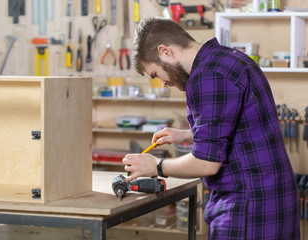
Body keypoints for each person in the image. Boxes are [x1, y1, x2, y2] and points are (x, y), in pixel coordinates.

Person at [123, 17, 300, 239]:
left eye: (156, 74)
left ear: (165, 51)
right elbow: (239, 123)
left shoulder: (207, 76)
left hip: (246, 208)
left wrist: (157, 166)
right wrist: (188, 133)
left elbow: (206, 164)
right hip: (275, 198)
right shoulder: (231, 59)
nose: (163, 83)